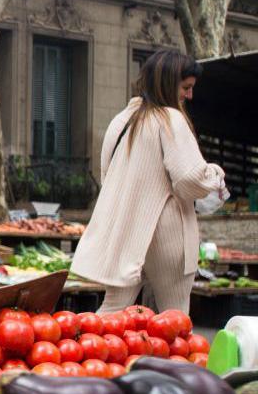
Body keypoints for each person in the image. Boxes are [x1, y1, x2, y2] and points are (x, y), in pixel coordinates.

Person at [72, 50, 226, 313]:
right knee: (174, 314)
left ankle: (88, 352)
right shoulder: (171, 119)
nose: (189, 95)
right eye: (186, 88)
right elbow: (189, 179)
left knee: (112, 310)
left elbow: (108, 175)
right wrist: (214, 174)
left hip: (127, 228)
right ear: (168, 83)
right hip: (168, 229)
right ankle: (172, 357)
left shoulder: (121, 121)